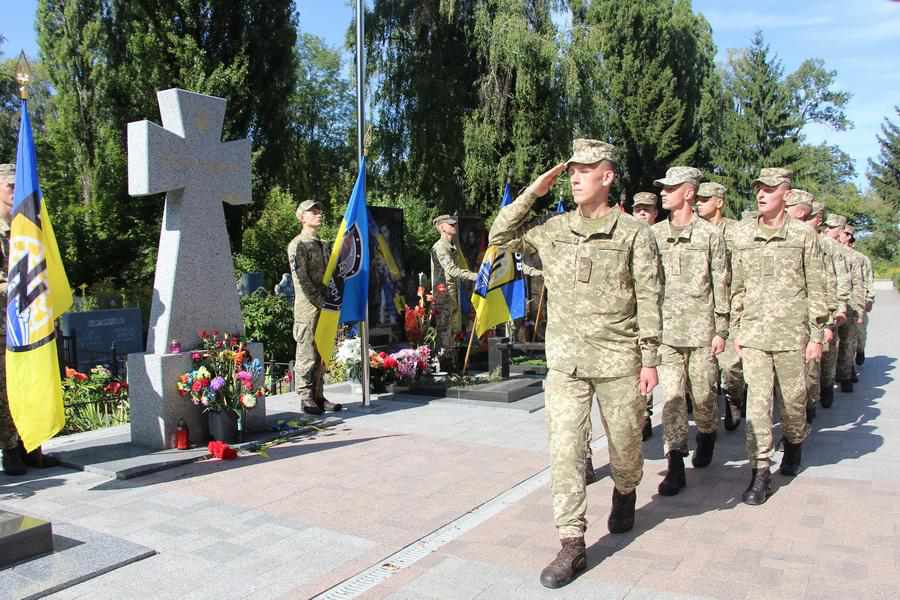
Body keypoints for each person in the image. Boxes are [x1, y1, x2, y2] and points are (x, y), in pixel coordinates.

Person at [489, 138, 662, 589]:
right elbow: (498, 238)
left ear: (607, 176)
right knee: (565, 449)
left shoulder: (635, 234)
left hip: (619, 360)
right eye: (571, 171)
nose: (576, 176)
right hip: (566, 363)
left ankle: (626, 491)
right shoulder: (554, 229)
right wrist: (533, 192)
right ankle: (572, 542)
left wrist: (650, 359)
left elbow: (649, 297)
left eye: (586, 169)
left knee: (626, 447)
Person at [730, 168, 827, 505]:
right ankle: (760, 473)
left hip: (791, 335)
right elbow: (737, 287)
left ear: (786, 194)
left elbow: (817, 286)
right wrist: (736, 329)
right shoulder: (743, 234)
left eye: (769, 189)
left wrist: (816, 335)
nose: (761, 194)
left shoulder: (803, 235)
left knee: (794, 403)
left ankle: (795, 442)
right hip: (755, 334)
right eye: (758, 188)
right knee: (757, 405)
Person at [651, 168, 729, 496]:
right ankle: (675, 464)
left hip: (701, 332)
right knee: (671, 399)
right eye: (662, 188)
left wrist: (721, 328)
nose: (663, 193)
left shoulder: (710, 235)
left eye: (671, 188)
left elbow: (722, 282)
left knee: (704, 397)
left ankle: (708, 433)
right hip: (667, 333)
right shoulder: (653, 235)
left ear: (688, 193)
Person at [696, 181, 745, 431]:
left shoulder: (737, 231)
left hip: (733, 305)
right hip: (702, 309)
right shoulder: (694, 232)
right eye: (697, 199)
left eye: (705, 199)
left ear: (720, 202)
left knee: (730, 366)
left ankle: (734, 398)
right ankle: (709, 423)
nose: (698, 203)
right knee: (705, 371)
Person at [784, 190, 835, 423]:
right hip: (776, 321)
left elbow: (825, 281)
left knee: (809, 372)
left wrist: (828, 320)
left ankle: (808, 405)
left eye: (791, 207)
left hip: (807, 317)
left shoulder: (816, 241)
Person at [287, 200, 342, 415]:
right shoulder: (298, 245)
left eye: (319, 211)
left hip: (325, 304)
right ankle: (305, 396)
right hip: (308, 307)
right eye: (313, 212)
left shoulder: (322, 244)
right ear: (302, 217)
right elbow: (302, 280)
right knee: (307, 352)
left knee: (322, 351)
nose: (318, 215)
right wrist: (321, 301)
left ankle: (319, 395)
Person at [809, 203, 850, 411]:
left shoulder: (828, 245)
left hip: (824, 306)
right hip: (795, 311)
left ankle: (824, 387)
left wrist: (840, 306)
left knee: (824, 354)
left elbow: (841, 276)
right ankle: (807, 402)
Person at [1, 163, 26, 476]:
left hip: (26, 326)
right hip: (3, 328)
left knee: (28, 383)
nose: (17, 192)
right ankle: (10, 451)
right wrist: (20, 286)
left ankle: (31, 447)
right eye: (10, 186)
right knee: (5, 393)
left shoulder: (25, 232)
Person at [430, 215, 477, 371]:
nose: (454, 226)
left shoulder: (451, 246)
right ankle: (443, 366)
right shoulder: (441, 247)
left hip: (452, 293)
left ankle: (452, 366)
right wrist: (475, 276)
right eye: (450, 224)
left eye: (455, 224)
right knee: (444, 331)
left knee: (452, 331)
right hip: (443, 296)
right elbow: (451, 269)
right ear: (442, 227)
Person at [630, 192, 659, 441]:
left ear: (654, 214)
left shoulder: (660, 238)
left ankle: (645, 414)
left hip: (654, 318)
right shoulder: (625, 236)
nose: (642, 213)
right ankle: (643, 416)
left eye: (646, 210)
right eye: (638, 209)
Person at [837, 223, 867, 390]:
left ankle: (846, 376)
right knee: (834, 344)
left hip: (850, 305)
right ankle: (838, 374)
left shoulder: (856, 257)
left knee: (848, 342)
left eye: (844, 232)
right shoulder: (827, 248)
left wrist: (860, 308)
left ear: (849, 236)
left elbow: (859, 283)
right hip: (833, 305)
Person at [848, 233, 874, 366]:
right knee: (847, 337)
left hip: (859, 301)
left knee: (860, 333)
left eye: (851, 240)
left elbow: (869, 279)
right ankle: (849, 366)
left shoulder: (862, 259)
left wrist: (869, 299)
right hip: (845, 302)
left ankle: (860, 350)